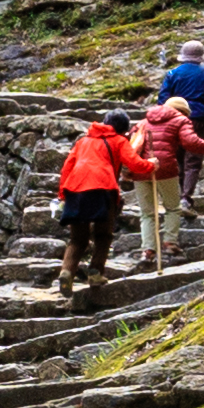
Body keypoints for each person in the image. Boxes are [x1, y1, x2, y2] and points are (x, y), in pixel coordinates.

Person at [127, 87, 204, 268]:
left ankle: (148, 251)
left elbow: (130, 142)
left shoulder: (143, 122)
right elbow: (191, 142)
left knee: (147, 213)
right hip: (165, 169)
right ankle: (169, 243)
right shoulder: (180, 121)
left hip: (140, 169)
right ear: (184, 112)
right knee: (172, 208)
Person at [55, 110, 132, 295]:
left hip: (75, 189)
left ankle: (67, 271)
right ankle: (95, 273)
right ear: (123, 129)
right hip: (103, 190)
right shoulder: (119, 141)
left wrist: (62, 194)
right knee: (103, 235)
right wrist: (151, 165)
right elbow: (133, 162)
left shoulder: (83, 141)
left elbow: (67, 167)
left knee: (77, 239)